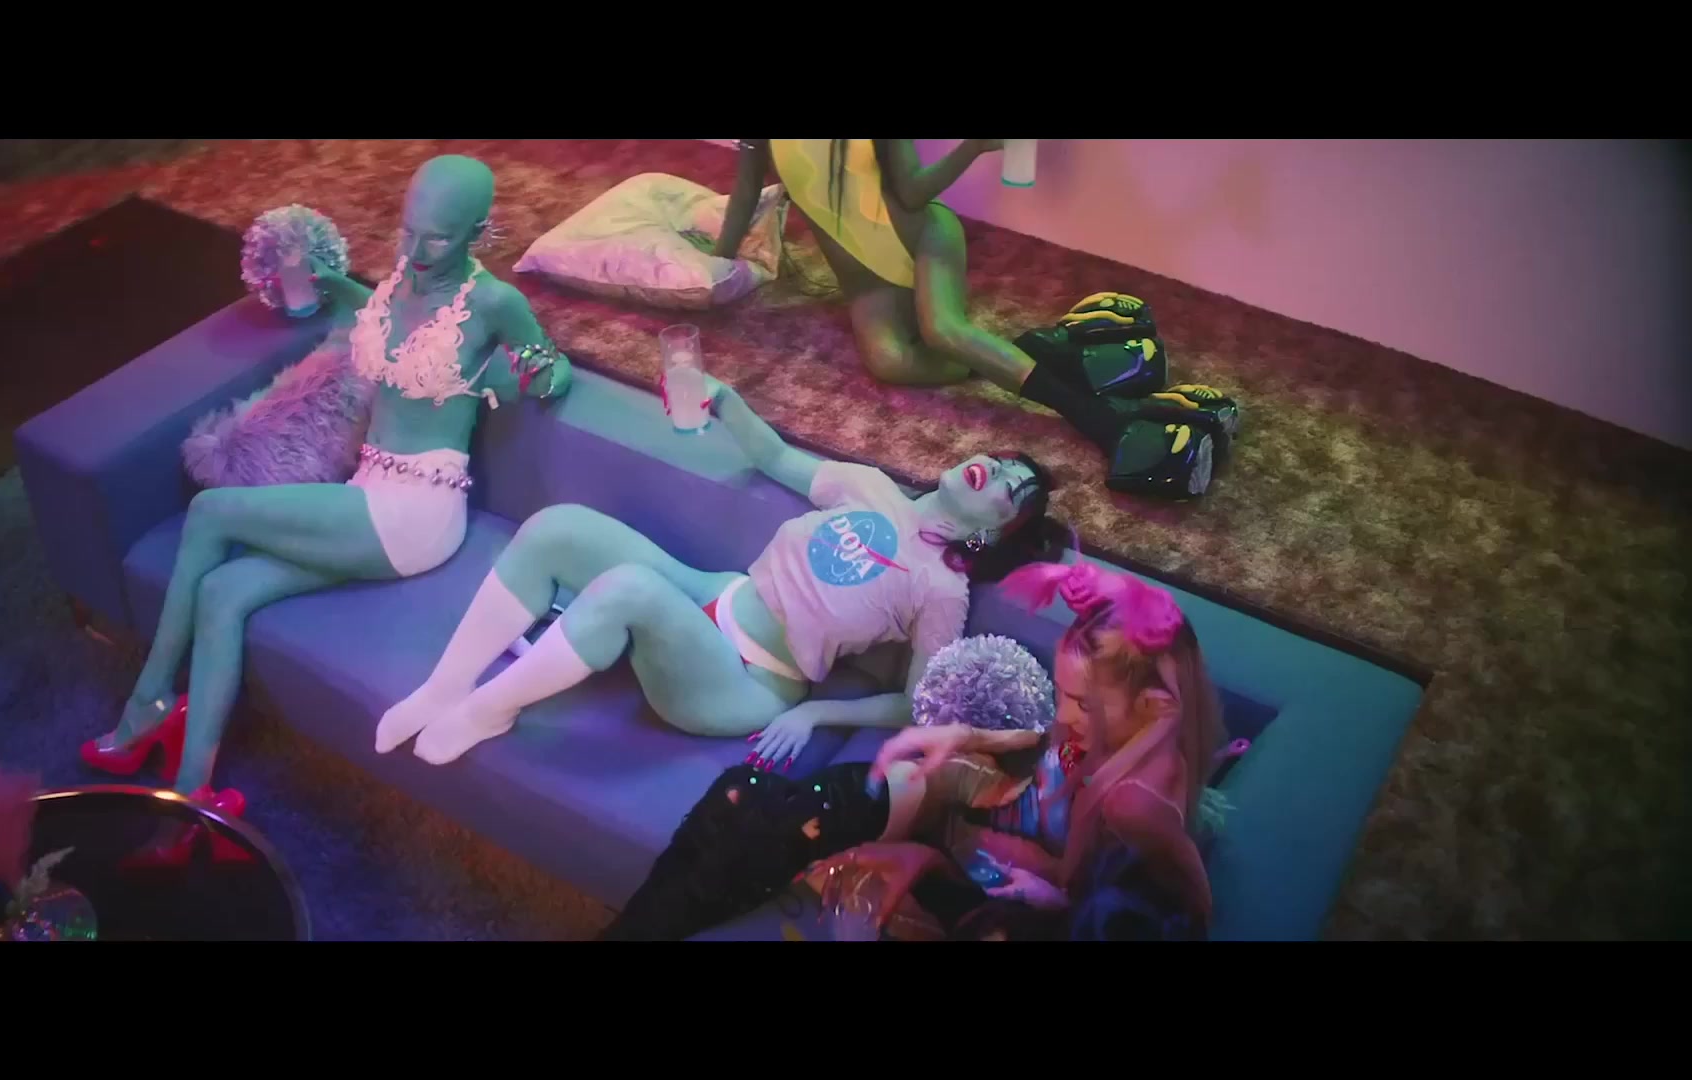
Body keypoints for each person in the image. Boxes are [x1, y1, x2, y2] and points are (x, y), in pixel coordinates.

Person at [78, 155, 572, 860]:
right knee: (223, 591)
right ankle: (193, 801)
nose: (415, 248)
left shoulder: (495, 302)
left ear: (478, 232)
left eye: (436, 236)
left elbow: (550, 373)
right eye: (408, 229)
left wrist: (542, 373)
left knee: (213, 513)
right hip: (367, 492)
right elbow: (377, 321)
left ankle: (148, 701)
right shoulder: (403, 276)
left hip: (420, 512)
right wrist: (319, 277)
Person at [376, 373, 1072, 766]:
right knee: (558, 527)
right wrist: (724, 399)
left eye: (1008, 490)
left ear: (993, 530)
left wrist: (817, 713)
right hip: (714, 599)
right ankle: (445, 687)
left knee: (630, 590)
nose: (994, 471)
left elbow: (915, 702)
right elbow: (775, 458)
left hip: (747, 682)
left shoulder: (942, 587)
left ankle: (488, 711)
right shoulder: (871, 488)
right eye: (1001, 461)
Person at [598, 559, 1225, 941]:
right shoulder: (1121, 733)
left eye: (1083, 704)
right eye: (1063, 695)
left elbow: (1176, 905)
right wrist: (966, 736)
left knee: (755, 816)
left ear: (1156, 707)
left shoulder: (1134, 804)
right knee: (744, 795)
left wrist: (958, 862)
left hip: (986, 849)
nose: (1065, 715)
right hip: (987, 796)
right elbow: (1051, 742)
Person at [708, 140, 1240, 498]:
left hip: (923, 240)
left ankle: (1102, 419)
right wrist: (716, 263)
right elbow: (747, 191)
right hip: (868, 277)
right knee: (891, 362)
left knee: (943, 331)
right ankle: (1050, 349)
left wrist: (972, 146)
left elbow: (913, 192)